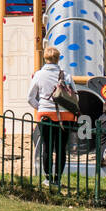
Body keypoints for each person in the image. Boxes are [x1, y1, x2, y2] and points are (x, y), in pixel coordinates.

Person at [28, 44, 77, 188]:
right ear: (58, 59)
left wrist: (41, 107)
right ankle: (58, 179)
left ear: (45, 58)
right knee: (61, 149)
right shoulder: (66, 75)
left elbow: (30, 97)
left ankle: (48, 178)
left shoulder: (39, 75)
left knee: (47, 147)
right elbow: (75, 96)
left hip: (46, 115)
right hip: (65, 116)